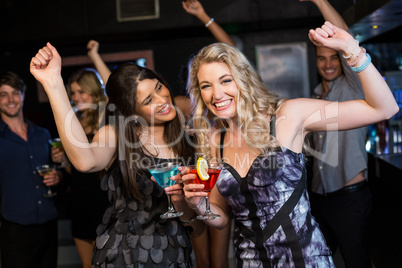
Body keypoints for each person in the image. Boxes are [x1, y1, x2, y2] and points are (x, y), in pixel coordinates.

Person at [180, 22, 398, 267]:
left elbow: (384, 108)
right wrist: (200, 206)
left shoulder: (287, 115)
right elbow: (221, 218)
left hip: (304, 259)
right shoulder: (214, 140)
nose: (216, 94)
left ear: (243, 79)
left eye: (225, 81)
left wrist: (351, 49)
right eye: (206, 86)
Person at [30, 43, 205, 267]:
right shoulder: (114, 135)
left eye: (159, 88)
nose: (163, 100)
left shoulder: (184, 137)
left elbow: (197, 230)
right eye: (148, 100)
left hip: (175, 255)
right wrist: (53, 83)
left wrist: (185, 203)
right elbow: (85, 161)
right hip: (126, 256)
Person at [300, 1, 373, 267]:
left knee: (356, 261)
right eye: (322, 58)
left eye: (334, 57)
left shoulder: (354, 85)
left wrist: (319, 0)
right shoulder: (317, 94)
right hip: (321, 198)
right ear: (316, 60)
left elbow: (349, 41)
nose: (329, 64)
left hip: (350, 197)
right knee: (320, 261)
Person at [180, 2, 235, 266]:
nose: (215, 89)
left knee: (219, 255)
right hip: (195, 183)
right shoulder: (185, 105)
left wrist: (203, 16)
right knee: (202, 257)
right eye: (203, 84)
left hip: (221, 180)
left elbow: (233, 54)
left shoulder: (227, 105)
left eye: (221, 80)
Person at [0, 71, 61, 268]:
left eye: (15, 93)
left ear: (23, 96)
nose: (11, 99)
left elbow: (55, 169)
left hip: (48, 224)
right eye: (3, 94)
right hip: (15, 229)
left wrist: (57, 175)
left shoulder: (42, 134)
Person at [51, 67, 110, 268]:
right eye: (73, 93)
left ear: (94, 91)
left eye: (81, 91)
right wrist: (64, 161)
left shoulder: (107, 119)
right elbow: (76, 171)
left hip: (103, 202)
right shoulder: (74, 122)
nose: (76, 97)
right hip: (78, 202)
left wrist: (94, 54)